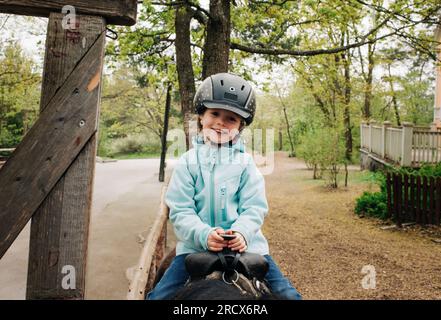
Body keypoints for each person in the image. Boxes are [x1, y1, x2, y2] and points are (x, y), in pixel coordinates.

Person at [147, 73, 301, 300]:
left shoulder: (247, 164)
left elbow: (254, 207)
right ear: (201, 116)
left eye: (231, 119)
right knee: (159, 297)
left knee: (289, 296)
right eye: (215, 114)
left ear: (240, 126)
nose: (220, 122)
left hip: (247, 247)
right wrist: (204, 234)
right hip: (195, 248)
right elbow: (181, 210)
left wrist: (241, 233)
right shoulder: (188, 163)